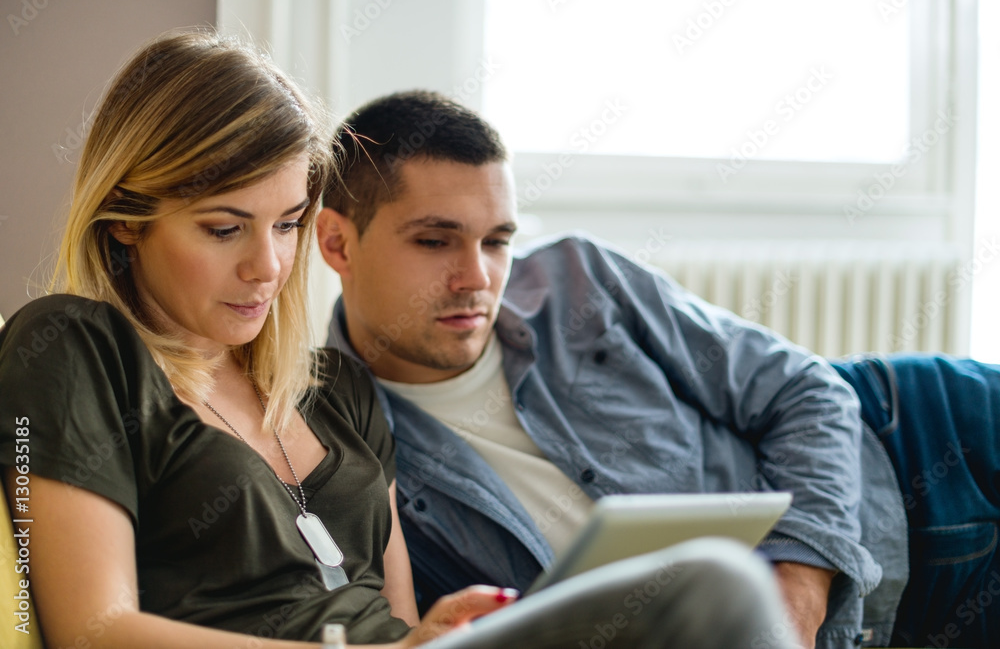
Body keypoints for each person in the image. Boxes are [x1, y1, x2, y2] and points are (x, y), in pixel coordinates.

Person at [0, 33, 799, 649]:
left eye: (286, 224)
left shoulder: (337, 392)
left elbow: (401, 619)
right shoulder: (73, 347)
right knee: (714, 582)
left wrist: (431, 632)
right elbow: (94, 630)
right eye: (223, 228)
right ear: (127, 224)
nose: (269, 265)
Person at [317, 90, 1000, 649]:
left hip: (919, 431)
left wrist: (799, 583)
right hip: (893, 612)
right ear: (337, 242)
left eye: (497, 240)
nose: (477, 277)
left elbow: (804, 389)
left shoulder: (580, 281)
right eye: (435, 241)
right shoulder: (336, 439)